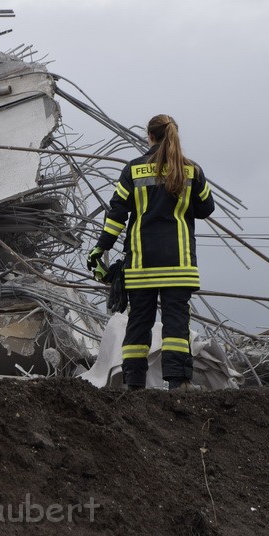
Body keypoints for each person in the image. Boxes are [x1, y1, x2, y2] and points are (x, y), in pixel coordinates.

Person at [87, 114, 215, 390]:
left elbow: (117, 216)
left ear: (150, 136)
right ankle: (178, 383)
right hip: (178, 263)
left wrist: (100, 248)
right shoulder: (191, 170)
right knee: (176, 323)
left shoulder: (132, 170)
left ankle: (134, 383)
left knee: (138, 322)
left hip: (141, 263)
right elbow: (206, 209)